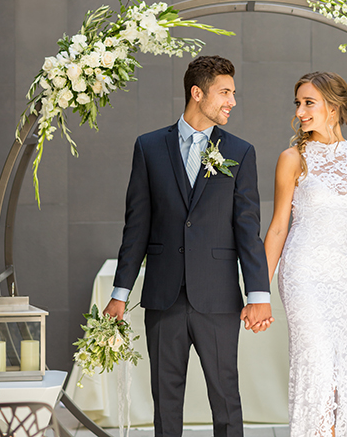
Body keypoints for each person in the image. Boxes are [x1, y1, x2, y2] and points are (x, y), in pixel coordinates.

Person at [104, 55, 272, 437]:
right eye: (224, 92)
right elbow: (137, 226)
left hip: (217, 298)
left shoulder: (240, 152)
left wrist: (258, 293)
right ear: (198, 93)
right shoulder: (148, 147)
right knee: (165, 400)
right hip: (163, 297)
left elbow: (248, 229)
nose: (232, 100)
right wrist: (120, 292)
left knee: (226, 399)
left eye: (233, 92)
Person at [264, 71, 347, 437]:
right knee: (317, 366)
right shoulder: (292, 158)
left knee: (337, 370)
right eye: (298, 103)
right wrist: (259, 291)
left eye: (309, 102)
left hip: (338, 280)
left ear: (333, 107)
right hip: (301, 275)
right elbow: (278, 228)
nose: (300, 111)